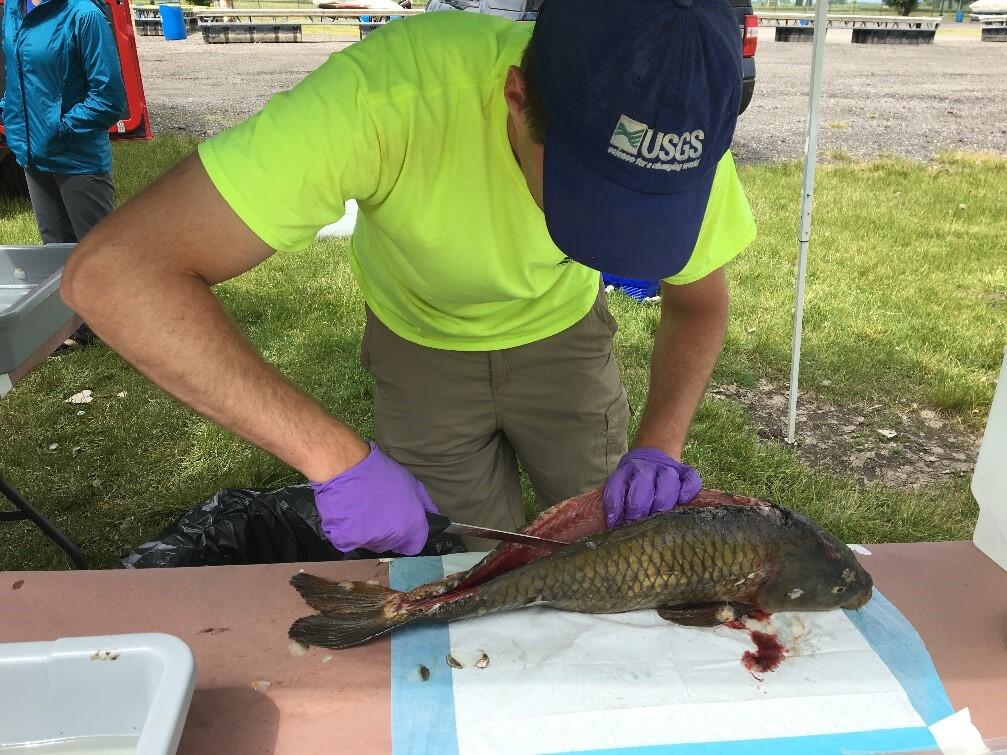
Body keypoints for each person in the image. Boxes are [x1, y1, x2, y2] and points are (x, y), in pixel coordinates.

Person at [63, 0, 756, 555]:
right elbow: (114, 274)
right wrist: (332, 456)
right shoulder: (388, 96)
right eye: (592, 193)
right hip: (419, 344)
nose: (617, 230)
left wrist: (657, 445)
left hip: (565, 337)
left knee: (610, 543)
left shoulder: (676, 121)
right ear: (517, 96)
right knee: (470, 562)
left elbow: (697, 304)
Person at [1, 0, 125, 344]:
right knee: (55, 247)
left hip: (77, 155)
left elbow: (110, 98)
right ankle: (74, 328)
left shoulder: (83, 14)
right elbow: (18, 78)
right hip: (32, 151)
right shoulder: (13, 8)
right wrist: (12, 117)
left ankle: (118, 325)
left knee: (95, 247)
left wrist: (61, 129)